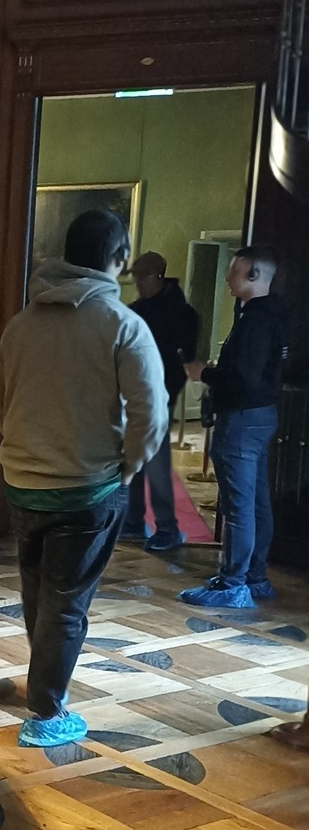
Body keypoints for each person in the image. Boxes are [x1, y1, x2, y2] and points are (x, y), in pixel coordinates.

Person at [0, 210, 167, 748]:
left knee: (37, 591)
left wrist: (28, 449)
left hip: (23, 483)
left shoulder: (21, 324)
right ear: (120, 258)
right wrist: (127, 466)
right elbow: (151, 415)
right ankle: (46, 713)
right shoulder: (123, 325)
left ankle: (43, 682)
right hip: (88, 488)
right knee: (66, 603)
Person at [179, 247, 285, 608]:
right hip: (262, 414)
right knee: (256, 501)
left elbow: (243, 378)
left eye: (235, 271)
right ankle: (254, 577)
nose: (228, 277)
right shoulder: (275, 314)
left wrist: (204, 373)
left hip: (241, 418)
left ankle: (232, 584)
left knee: (239, 505)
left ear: (254, 275)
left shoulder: (255, 320)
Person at [120, 251, 200, 551]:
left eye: (143, 277)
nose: (139, 283)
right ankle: (133, 520)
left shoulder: (182, 314)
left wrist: (164, 390)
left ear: (159, 276)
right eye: (136, 278)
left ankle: (167, 527)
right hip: (133, 395)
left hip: (159, 395)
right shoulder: (136, 311)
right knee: (133, 459)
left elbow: (183, 359)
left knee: (155, 462)